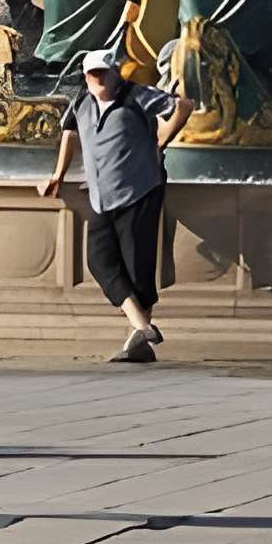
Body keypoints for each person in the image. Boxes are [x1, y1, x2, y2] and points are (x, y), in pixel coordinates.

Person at [39, 47, 191, 364]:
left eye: (104, 74)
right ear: (85, 76)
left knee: (138, 267)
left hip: (141, 191)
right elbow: (69, 133)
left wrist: (161, 140)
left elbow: (183, 106)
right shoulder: (80, 102)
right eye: (93, 75)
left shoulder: (137, 96)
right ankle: (143, 327)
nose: (99, 80)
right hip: (101, 195)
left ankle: (139, 343)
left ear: (115, 73)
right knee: (99, 260)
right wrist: (58, 174)